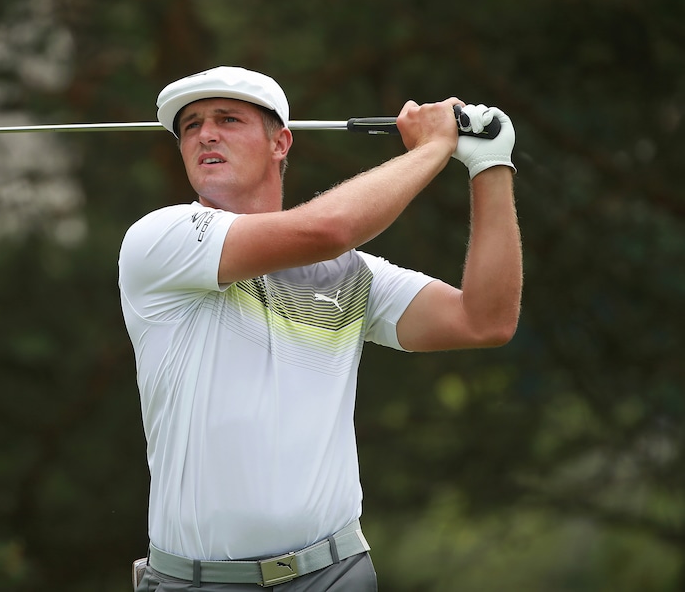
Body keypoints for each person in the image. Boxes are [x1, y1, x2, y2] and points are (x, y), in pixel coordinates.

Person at [118, 66, 522, 591]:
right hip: (199, 583)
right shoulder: (161, 239)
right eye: (191, 126)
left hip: (335, 574)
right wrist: (431, 148)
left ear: (280, 142)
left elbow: (484, 319)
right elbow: (326, 229)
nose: (205, 134)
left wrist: (490, 164)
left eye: (228, 119)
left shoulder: (351, 276)